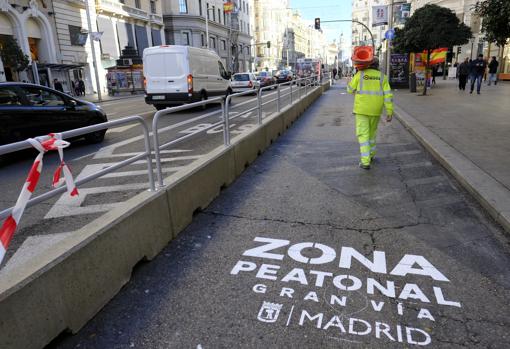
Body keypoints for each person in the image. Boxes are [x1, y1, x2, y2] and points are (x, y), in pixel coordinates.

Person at [347, 57, 393, 170]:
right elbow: (388, 95)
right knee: (372, 134)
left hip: (361, 110)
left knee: (363, 135)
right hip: (376, 110)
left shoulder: (360, 74)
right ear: (378, 65)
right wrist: (389, 111)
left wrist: (349, 82)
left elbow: (349, 89)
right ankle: (371, 155)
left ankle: (365, 161)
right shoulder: (383, 77)